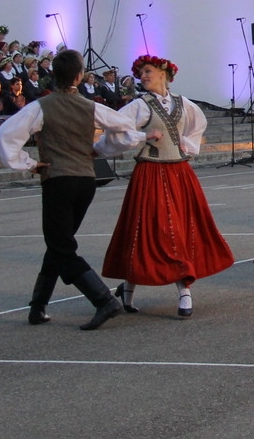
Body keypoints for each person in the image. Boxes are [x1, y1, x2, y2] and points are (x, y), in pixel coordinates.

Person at [0, 49, 143, 330]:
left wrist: (28, 163)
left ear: (54, 75)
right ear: (79, 76)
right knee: (58, 243)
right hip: (86, 180)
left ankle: (103, 299)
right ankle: (38, 306)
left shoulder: (41, 106)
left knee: (61, 245)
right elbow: (126, 129)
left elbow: (6, 134)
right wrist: (100, 150)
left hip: (59, 179)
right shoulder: (91, 107)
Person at [99, 54, 234, 318]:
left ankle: (181, 287)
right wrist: (141, 136)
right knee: (150, 230)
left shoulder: (183, 103)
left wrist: (188, 145)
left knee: (181, 229)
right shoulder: (140, 105)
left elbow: (198, 126)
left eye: (148, 71)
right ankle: (134, 288)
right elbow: (115, 129)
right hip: (150, 172)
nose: (144, 76)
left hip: (179, 172)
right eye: (141, 73)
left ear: (164, 73)